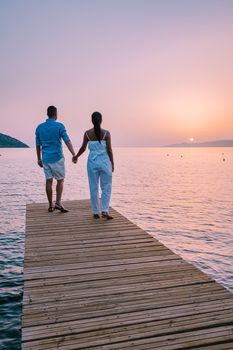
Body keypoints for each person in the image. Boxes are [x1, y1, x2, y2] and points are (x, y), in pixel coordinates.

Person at [73, 111, 114, 219]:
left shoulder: (87, 133)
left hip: (92, 163)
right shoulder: (106, 133)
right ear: (101, 120)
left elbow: (83, 148)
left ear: (92, 120)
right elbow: (109, 150)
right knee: (106, 187)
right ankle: (104, 210)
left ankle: (96, 212)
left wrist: (76, 156)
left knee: (93, 187)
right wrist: (112, 163)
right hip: (105, 163)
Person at [35, 105, 76, 212]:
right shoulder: (59, 126)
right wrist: (73, 154)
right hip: (57, 158)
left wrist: (39, 159)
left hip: (46, 159)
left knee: (48, 181)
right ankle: (58, 202)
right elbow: (67, 140)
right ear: (56, 115)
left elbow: (38, 145)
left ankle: (50, 205)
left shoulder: (39, 127)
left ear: (47, 114)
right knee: (60, 180)